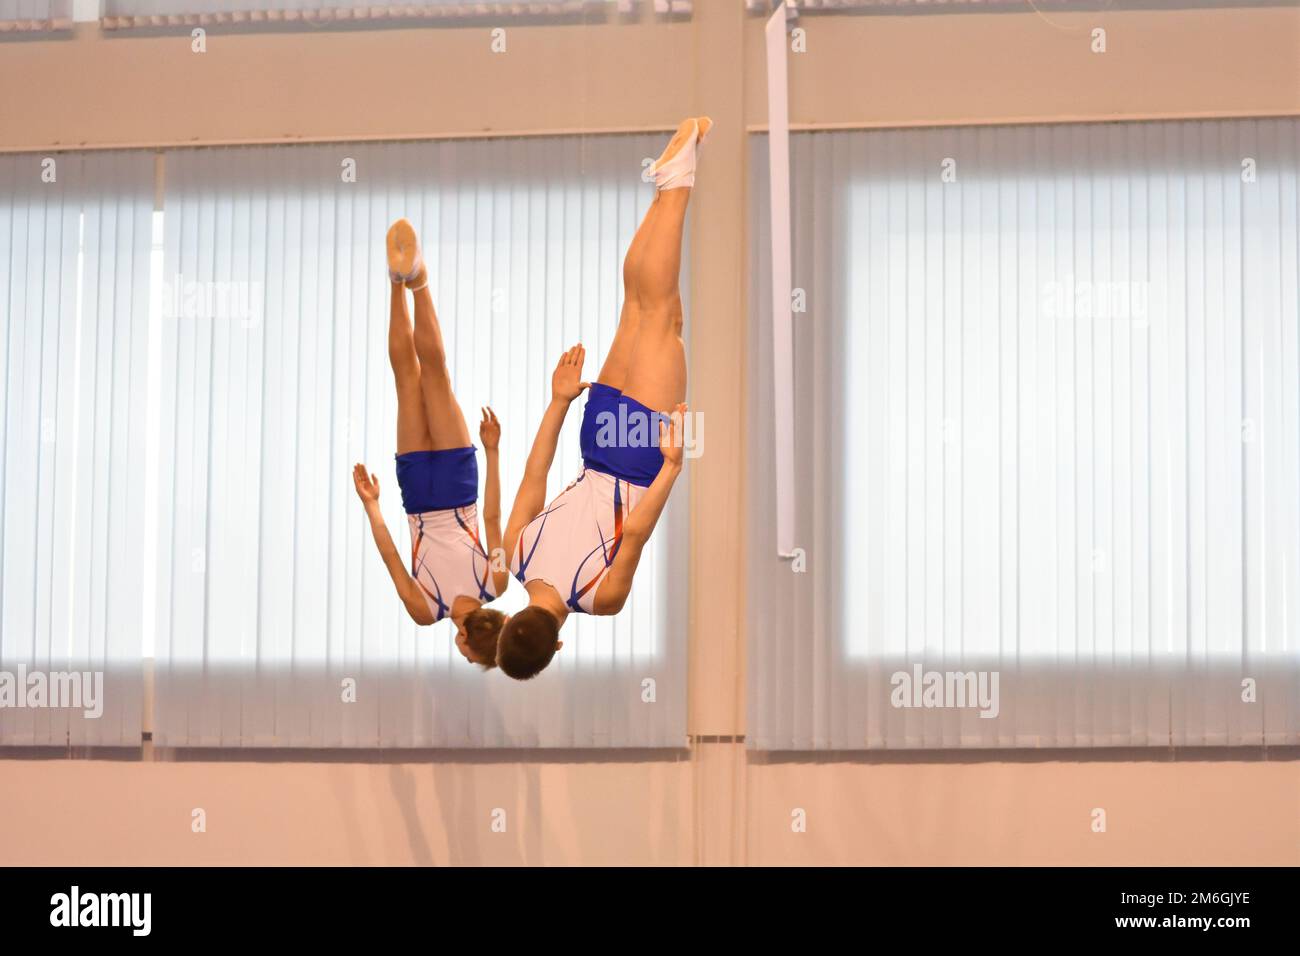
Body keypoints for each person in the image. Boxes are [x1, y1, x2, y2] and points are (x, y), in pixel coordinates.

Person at [496, 116, 710, 681]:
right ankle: (668, 185)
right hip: (595, 439)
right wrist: (560, 401)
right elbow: (535, 470)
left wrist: (672, 466)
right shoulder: (513, 551)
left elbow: (636, 531)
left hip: (638, 459)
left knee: (661, 315)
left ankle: (678, 180)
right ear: (513, 617)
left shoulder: (599, 598)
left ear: (557, 648)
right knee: (642, 308)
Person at [352, 219, 509, 668]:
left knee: (434, 377)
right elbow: (390, 557)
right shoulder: (425, 611)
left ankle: (417, 279)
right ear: (465, 638)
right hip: (420, 493)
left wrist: (493, 452)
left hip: (459, 484)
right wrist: (373, 505)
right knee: (408, 381)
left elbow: (494, 517)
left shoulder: (498, 582)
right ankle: (397, 284)